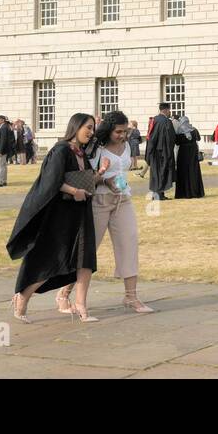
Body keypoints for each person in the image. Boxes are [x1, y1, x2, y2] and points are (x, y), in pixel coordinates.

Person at [55, 111, 153, 315]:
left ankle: (131, 296)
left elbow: (122, 170)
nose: (122, 135)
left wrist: (117, 181)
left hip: (122, 199)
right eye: (118, 131)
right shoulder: (95, 147)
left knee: (129, 242)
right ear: (109, 130)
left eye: (125, 131)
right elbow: (83, 174)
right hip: (98, 201)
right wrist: (104, 179)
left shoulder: (126, 145)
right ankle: (64, 293)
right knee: (87, 251)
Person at [7, 113, 100, 323]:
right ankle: (22, 297)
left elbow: (85, 179)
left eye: (93, 128)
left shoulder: (81, 153)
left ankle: (82, 307)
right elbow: (52, 181)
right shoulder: (60, 150)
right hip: (60, 214)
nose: (91, 132)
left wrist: (100, 173)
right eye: (88, 127)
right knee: (52, 259)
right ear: (75, 127)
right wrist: (74, 191)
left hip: (81, 212)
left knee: (85, 258)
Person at [144, 102, 177, 201]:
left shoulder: (153, 120)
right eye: (169, 110)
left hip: (154, 151)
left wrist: (149, 152)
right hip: (164, 152)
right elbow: (172, 138)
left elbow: (150, 137)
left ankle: (157, 194)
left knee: (155, 173)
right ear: (166, 110)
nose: (169, 112)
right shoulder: (167, 122)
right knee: (162, 172)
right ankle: (159, 194)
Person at [172, 113, 205, 198]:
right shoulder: (194, 130)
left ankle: (184, 193)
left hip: (183, 153)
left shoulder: (179, 132)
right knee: (193, 172)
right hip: (193, 153)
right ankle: (195, 192)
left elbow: (177, 142)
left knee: (183, 172)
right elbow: (198, 138)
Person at [0, 114, 15, 187]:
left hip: (1, 151)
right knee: (3, 166)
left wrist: (0, 151)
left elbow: (3, 140)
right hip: (2, 150)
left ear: (2, 120)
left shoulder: (3, 127)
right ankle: (3, 180)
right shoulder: (3, 127)